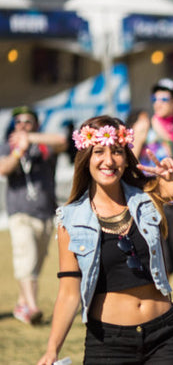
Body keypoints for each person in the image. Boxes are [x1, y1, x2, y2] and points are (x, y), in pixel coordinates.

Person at [36, 115, 173, 364]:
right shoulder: (70, 220)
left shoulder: (150, 192)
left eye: (117, 151)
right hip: (108, 343)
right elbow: (69, 293)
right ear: (86, 159)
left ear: (126, 158)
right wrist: (52, 349)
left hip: (164, 336)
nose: (108, 160)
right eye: (98, 152)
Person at [0, 106, 67, 325]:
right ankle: (32, 307)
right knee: (25, 259)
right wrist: (19, 150)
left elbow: (61, 140)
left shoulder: (44, 148)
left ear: (36, 125)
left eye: (28, 121)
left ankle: (22, 305)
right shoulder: (6, 147)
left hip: (46, 213)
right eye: (18, 122)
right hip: (20, 213)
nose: (22, 125)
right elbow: (4, 168)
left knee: (35, 264)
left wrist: (31, 138)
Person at [131, 78, 173, 275]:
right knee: (160, 258)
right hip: (149, 196)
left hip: (172, 199)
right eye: (155, 98)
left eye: (164, 98)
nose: (158, 102)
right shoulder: (145, 125)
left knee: (172, 260)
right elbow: (131, 159)